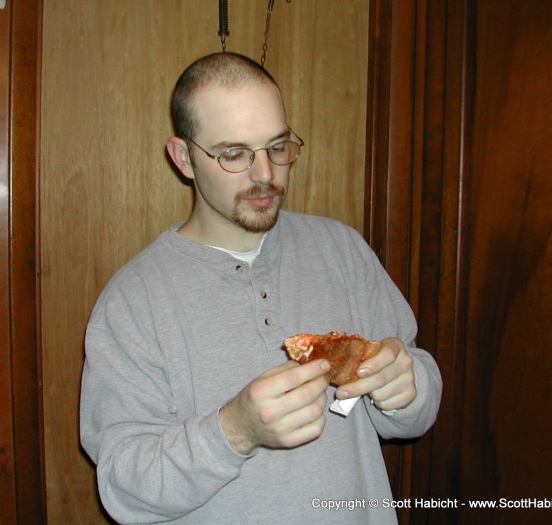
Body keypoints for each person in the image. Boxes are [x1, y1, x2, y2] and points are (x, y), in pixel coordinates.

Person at [80, 52, 442, 524]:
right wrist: (234, 431)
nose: (266, 174)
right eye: (233, 154)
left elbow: (415, 403)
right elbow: (124, 490)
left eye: (277, 146)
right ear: (183, 157)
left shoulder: (343, 249)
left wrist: (406, 387)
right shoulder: (133, 301)